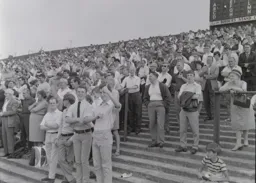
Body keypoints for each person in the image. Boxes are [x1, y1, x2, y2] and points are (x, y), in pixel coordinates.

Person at [91, 85, 121, 183]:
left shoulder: (112, 105)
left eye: (105, 92)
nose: (103, 94)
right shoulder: (99, 105)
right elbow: (91, 117)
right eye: (102, 92)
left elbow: (118, 105)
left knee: (106, 164)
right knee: (96, 164)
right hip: (95, 135)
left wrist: (108, 92)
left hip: (105, 135)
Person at [219, 69, 255, 151]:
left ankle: (246, 140)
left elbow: (243, 90)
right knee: (236, 123)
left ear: (238, 76)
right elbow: (221, 89)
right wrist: (228, 87)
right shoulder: (229, 83)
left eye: (233, 76)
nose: (231, 77)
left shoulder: (243, 83)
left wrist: (232, 87)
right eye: (230, 76)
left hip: (244, 104)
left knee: (245, 121)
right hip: (235, 104)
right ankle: (238, 143)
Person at [66, 85, 94, 183]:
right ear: (76, 93)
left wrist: (74, 121)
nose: (80, 93)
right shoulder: (72, 106)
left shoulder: (89, 106)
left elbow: (84, 121)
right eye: (79, 91)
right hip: (76, 135)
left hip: (86, 134)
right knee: (77, 160)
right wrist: (77, 119)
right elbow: (67, 119)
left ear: (86, 93)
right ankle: (79, 180)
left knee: (84, 160)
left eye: (82, 92)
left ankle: (85, 181)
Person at [175, 70, 202, 154]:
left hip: (193, 109)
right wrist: (190, 95)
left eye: (191, 75)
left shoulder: (197, 86)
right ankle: (183, 145)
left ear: (194, 76)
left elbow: (197, 96)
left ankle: (195, 146)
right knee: (182, 129)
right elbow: (179, 95)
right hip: (183, 109)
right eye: (188, 75)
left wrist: (185, 95)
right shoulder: (183, 85)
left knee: (195, 129)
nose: (189, 76)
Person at [143, 72, 172, 148]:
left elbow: (168, 97)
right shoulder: (148, 87)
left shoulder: (162, 86)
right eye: (149, 76)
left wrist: (163, 105)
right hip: (151, 105)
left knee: (160, 124)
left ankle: (161, 141)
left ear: (156, 77)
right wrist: (148, 104)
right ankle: (154, 140)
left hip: (160, 105)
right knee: (152, 123)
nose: (149, 78)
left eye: (151, 76)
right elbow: (145, 97)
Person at [40, 96, 62, 183]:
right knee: (49, 157)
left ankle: (52, 177)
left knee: (53, 157)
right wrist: (50, 125)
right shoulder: (47, 114)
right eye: (51, 103)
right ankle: (50, 175)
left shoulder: (60, 114)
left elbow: (56, 126)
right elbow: (41, 127)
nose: (52, 104)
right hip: (48, 135)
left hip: (55, 136)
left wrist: (47, 124)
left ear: (57, 104)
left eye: (54, 103)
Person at [56, 93, 76, 183]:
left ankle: (67, 179)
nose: (63, 102)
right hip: (62, 136)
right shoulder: (64, 111)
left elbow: (77, 127)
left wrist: (72, 139)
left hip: (70, 136)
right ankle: (71, 178)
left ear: (67, 100)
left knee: (70, 160)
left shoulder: (74, 111)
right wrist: (57, 137)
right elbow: (61, 125)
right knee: (60, 159)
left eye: (64, 100)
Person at [121, 66, 142, 134]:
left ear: (135, 71)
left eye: (133, 70)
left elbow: (136, 86)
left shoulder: (137, 78)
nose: (132, 71)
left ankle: (138, 128)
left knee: (137, 112)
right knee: (130, 112)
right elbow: (122, 86)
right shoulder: (126, 78)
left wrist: (126, 88)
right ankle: (131, 127)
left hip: (136, 95)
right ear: (129, 71)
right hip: (129, 96)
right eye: (130, 70)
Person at [0, 89, 20, 157]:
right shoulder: (6, 101)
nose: (5, 95)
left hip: (10, 120)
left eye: (6, 94)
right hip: (4, 120)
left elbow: (14, 111)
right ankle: (6, 152)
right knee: (4, 136)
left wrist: (3, 113)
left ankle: (11, 152)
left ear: (10, 94)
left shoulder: (14, 101)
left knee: (9, 137)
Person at [200, 56, 219, 121]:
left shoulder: (216, 66)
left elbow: (216, 75)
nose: (208, 61)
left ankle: (214, 116)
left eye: (210, 60)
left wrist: (207, 76)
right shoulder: (204, 67)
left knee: (213, 102)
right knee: (206, 102)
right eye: (207, 60)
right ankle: (209, 115)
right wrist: (203, 72)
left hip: (212, 85)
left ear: (212, 60)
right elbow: (200, 74)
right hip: (205, 86)